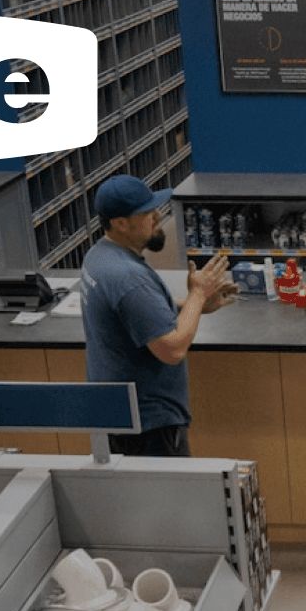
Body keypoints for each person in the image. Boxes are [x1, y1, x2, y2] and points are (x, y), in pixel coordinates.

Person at [80, 175, 239, 457]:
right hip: (148, 425)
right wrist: (199, 294)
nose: (157, 215)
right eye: (146, 213)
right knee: (166, 499)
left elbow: (139, 313)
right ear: (120, 223)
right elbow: (172, 348)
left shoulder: (99, 256)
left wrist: (192, 305)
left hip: (117, 413)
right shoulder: (128, 279)